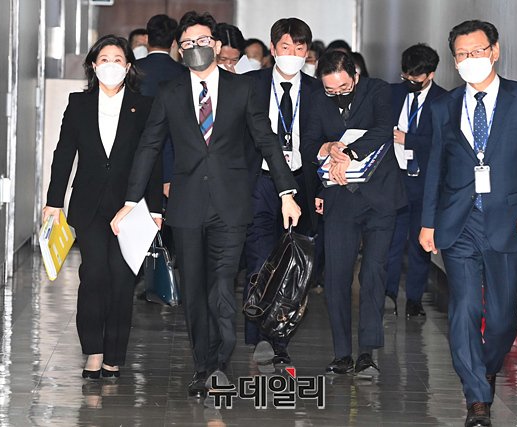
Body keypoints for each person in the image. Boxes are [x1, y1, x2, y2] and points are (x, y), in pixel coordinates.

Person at [109, 11, 301, 399]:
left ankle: (219, 364)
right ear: (180, 51)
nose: (196, 47)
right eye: (188, 44)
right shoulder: (170, 92)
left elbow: (266, 140)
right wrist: (132, 200)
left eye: (202, 41)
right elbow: (149, 146)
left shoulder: (242, 88)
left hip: (231, 205)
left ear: (215, 44)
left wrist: (287, 193)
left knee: (222, 286)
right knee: (195, 291)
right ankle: (202, 365)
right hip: (187, 206)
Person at [419, 20, 517, 427]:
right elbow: (435, 168)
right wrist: (428, 223)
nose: (469, 59)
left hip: (508, 220)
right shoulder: (443, 107)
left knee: (501, 317)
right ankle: (477, 397)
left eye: (477, 51)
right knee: (463, 307)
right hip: (458, 221)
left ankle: (486, 368)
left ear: (494, 51)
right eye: (461, 54)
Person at [44, 35, 158, 380]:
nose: (111, 65)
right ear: (94, 66)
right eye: (104, 59)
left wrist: (156, 208)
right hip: (89, 204)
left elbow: (152, 158)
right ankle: (93, 350)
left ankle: (114, 356)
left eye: (118, 59)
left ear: (128, 66)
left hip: (130, 207)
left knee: (122, 280)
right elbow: (64, 153)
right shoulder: (78, 103)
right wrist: (53, 201)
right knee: (93, 275)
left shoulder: (144, 106)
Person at [303, 50, 407, 377]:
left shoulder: (378, 90)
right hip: (339, 198)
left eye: (344, 88)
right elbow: (308, 144)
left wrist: (348, 152)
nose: (337, 94)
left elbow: (382, 130)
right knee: (336, 276)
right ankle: (342, 353)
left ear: (356, 77)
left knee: (373, 273)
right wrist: (327, 148)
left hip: (379, 198)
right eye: (330, 90)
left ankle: (367, 353)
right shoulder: (317, 100)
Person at [242, 17, 321, 369]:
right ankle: (258, 335)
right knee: (260, 259)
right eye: (286, 47)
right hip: (259, 181)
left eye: (299, 48)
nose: (292, 54)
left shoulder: (317, 90)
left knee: (293, 265)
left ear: (307, 52)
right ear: (273, 49)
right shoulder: (250, 85)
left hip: (301, 181)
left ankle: (281, 339)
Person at [385, 44, 447, 317]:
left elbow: (442, 142)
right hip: (395, 178)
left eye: (416, 77)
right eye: (406, 75)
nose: (409, 81)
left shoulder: (444, 100)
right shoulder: (392, 93)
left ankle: (414, 299)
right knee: (392, 240)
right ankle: (388, 294)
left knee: (422, 243)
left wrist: (407, 139)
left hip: (424, 182)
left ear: (430, 74)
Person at [135, 14, 188, 267]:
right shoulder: (183, 73)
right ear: (175, 42)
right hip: (173, 157)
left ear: (146, 39)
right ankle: (162, 265)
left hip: (136, 155)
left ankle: (137, 267)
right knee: (164, 217)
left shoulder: (133, 70)